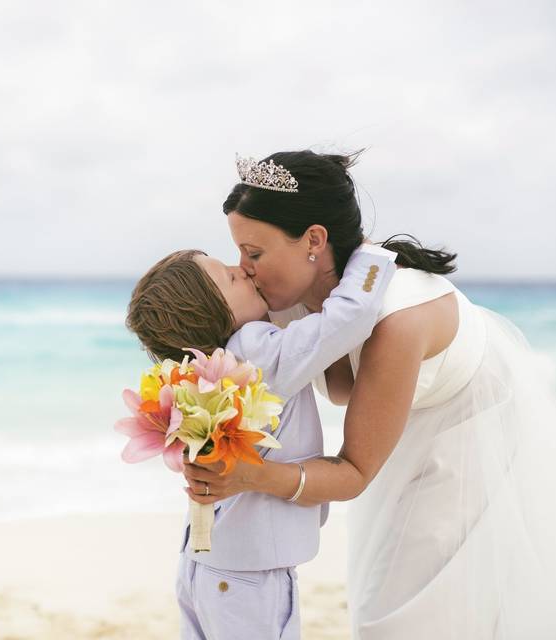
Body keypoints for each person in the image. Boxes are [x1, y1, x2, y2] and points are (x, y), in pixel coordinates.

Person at [186, 149, 556, 638]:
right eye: (239, 253)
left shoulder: (398, 318)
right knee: (381, 592)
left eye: (254, 253)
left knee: (403, 614)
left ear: (314, 240)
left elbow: (354, 471)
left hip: (463, 438)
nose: (243, 269)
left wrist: (254, 476)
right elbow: (340, 388)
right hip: (400, 431)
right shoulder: (297, 294)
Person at [126, 236, 398, 637]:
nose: (242, 270)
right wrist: (370, 257)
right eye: (229, 278)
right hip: (247, 575)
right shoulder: (256, 352)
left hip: (204, 567)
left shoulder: (199, 374)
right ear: (213, 314)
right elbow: (347, 319)